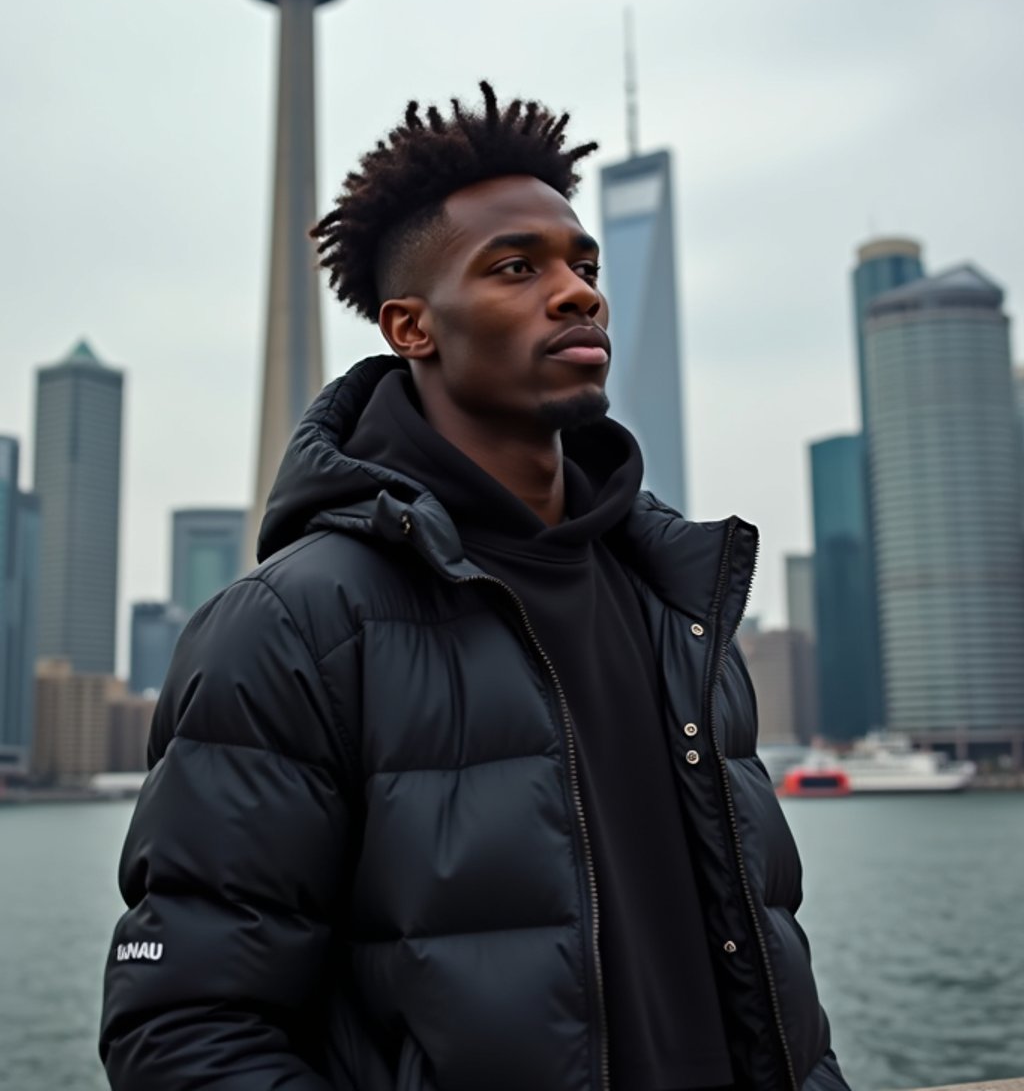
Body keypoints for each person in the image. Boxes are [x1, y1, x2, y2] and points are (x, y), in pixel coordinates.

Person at [101, 85, 849, 1091]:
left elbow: (769, 980)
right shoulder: (293, 628)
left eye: (583, 265)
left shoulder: (684, 612)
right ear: (413, 328)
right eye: (515, 268)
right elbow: (186, 1029)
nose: (579, 291)